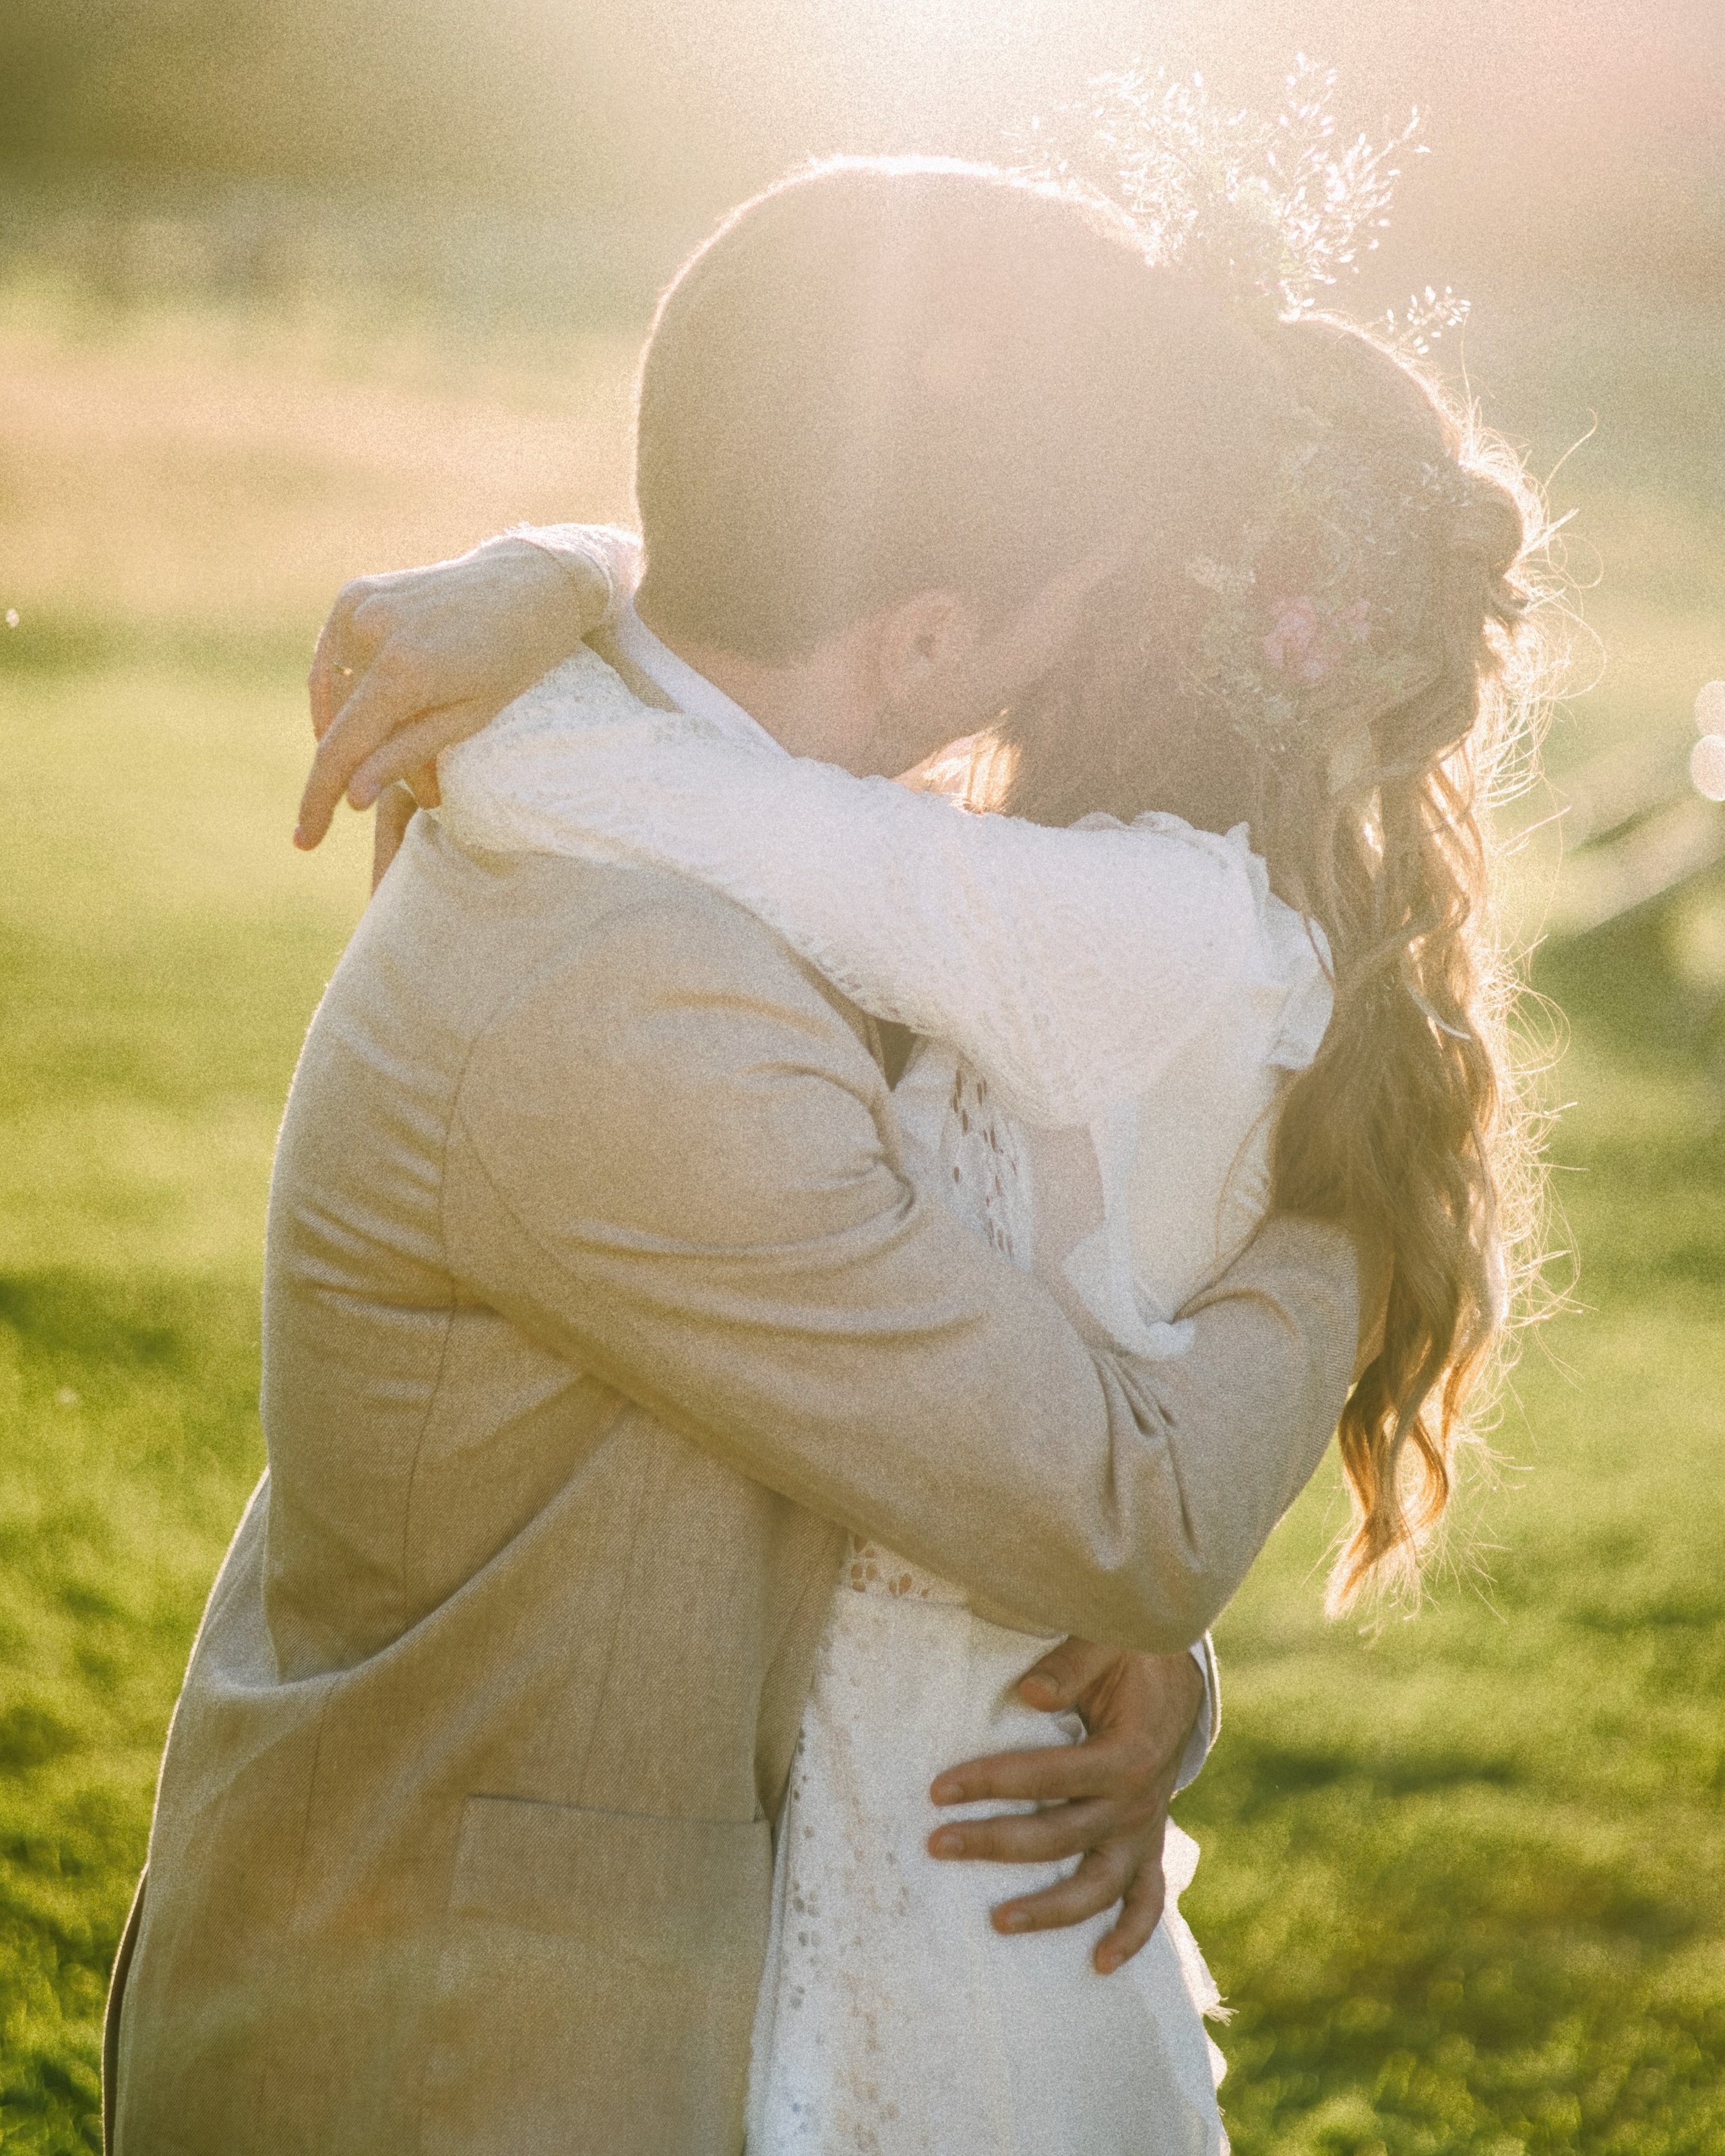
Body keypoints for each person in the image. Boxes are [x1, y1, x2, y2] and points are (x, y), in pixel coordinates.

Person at [106, 161, 1371, 2156]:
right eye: (1062, 621)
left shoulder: (668, 782)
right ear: (930, 628)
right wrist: (1362, 1231)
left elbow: (932, 1470)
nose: (1058, 680)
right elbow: (1117, 1506)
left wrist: (556, 565)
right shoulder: (633, 1001)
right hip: (458, 2051)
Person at [328, 249, 1545, 2153]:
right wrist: (560, 574)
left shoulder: (1117, 922)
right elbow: (805, 604)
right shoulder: (1080, 894)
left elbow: (702, 785)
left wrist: (515, 630)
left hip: (940, 1807)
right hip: (902, 1793)